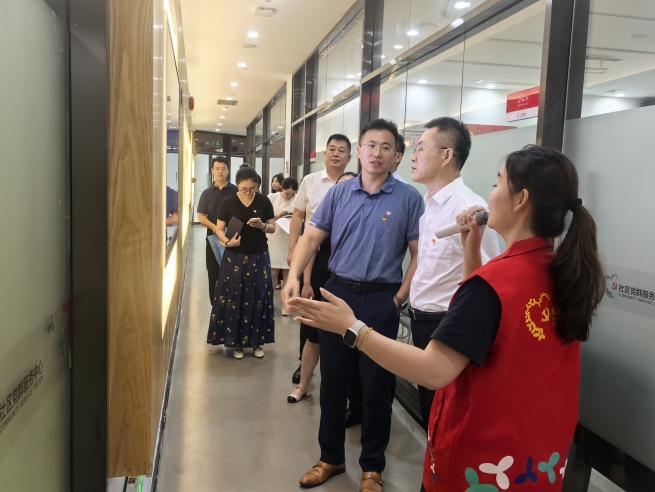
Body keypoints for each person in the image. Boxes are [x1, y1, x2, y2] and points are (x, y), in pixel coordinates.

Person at [288, 145, 605, 492]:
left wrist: (351, 328)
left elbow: (434, 370)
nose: (490, 193)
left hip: (483, 461)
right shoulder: (561, 272)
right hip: (533, 456)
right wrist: (472, 250)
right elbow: (493, 326)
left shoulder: (492, 281)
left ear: (521, 199)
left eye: (498, 183)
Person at [283, 119, 424, 491]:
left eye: (385, 147)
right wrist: (293, 275)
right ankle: (329, 458)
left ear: (396, 156)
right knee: (333, 382)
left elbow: (419, 255)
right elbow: (311, 238)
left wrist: (398, 299)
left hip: (381, 299)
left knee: (378, 388)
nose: (377, 153)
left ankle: (372, 468)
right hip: (337, 294)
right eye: (370, 145)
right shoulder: (340, 193)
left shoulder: (409, 199)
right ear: (360, 151)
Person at [408, 117, 500, 431]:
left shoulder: (469, 208)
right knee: (431, 418)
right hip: (423, 322)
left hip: (449, 329)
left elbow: (489, 278)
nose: (413, 156)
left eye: (421, 148)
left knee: (448, 422)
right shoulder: (431, 205)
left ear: (447, 155)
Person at [287, 134, 352, 385]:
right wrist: (293, 250)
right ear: (325, 154)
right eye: (332, 149)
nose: (336, 154)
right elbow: (297, 217)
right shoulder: (311, 181)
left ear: (349, 157)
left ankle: (333, 364)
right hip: (314, 251)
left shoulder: (355, 182)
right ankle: (304, 363)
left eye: (341, 150)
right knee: (310, 305)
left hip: (344, 253)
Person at [207, 166, 276, 359]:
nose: (248, 192)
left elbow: (273, 227)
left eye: (252, 188)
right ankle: (236, 342)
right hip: (234, 256)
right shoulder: (228, 202)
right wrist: (227, 242)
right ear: (237, 186)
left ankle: (256, 342)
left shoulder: (264, 201)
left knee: (258, 296)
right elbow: (219, 229)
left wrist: (263, 226)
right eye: (244, 188)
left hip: (259, 255)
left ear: (257, 186)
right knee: (234, 296)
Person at [197, 156, 237, 303]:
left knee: (233, 272)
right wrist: (216, 228)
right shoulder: (207, 193)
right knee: (213, 272)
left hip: (233, 238)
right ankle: (215, 305)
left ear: (228, 170)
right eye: (217, 169)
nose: (220, 172)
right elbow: (201, 216)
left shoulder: (236, 191)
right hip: (212, 238)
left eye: (223, 169)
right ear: (212, 171)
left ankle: (231, 303)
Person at [268, 177, 299, 316]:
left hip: (290, 239)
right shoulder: (272, 198)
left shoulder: (297, 199)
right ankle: (269, 302)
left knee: (288, 271)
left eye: (292, 194)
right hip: (274, 238)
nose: (289, 196)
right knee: (272, 272)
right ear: (282, 188)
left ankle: (286, 304)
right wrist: (278, 215)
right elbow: (266, 218)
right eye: (287, 193)